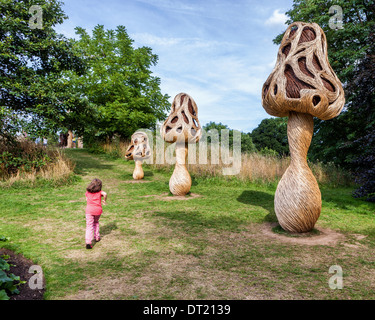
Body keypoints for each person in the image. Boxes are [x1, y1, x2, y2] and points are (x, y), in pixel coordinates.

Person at [85, 179, 107, 249]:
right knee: (96, 222)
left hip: (89, 211)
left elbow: (86, 199)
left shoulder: (87, 192)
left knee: (89, 226)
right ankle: (97, 237)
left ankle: (88, 242)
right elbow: (105, 194)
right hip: (97, 211)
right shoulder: (100, 192)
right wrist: (104, 200)